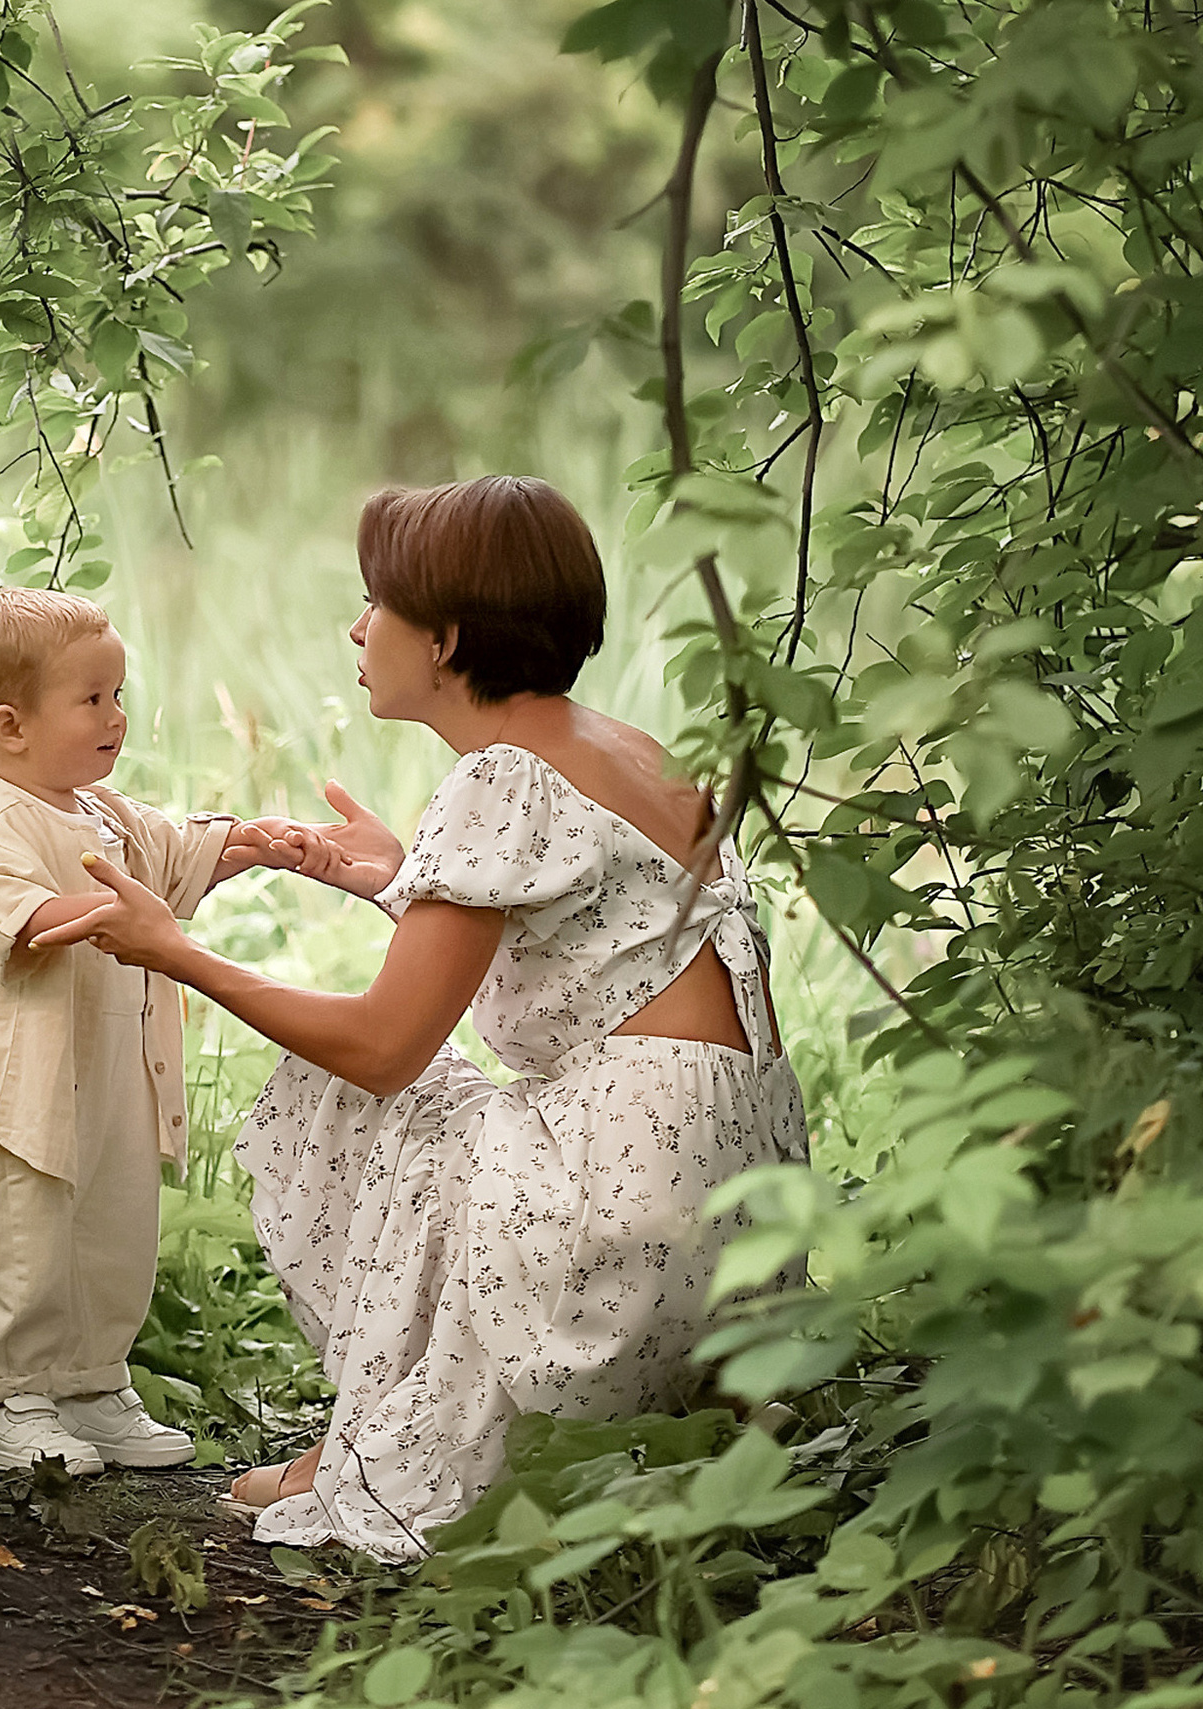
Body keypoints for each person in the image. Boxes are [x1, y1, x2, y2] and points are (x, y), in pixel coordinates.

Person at [65, 477, 809, 1560]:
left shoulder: (497, 777)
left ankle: (368, 1445)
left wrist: (176, 952)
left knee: (357, 1089)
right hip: (737, 1228)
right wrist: (402, 881)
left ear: (447, 638)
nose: (357, 628)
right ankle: (619, 1426)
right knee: (471, 1113)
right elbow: (608, 952)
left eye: (379, 605)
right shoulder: (630, 750)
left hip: (618, 1230)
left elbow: (380, 1048)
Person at [0, 585, 288, 1478]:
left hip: (114, 1079)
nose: (116, 717)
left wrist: (256, 841)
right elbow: (6, 914)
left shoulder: (104, 814)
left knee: (111, 1229)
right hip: (27, 1092)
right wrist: (86, 912)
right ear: (11, 728)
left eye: (118, 695)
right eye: (92, 700)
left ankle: (92, 1385)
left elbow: (174, 853)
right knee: (27, 1234)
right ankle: (10, 1399)